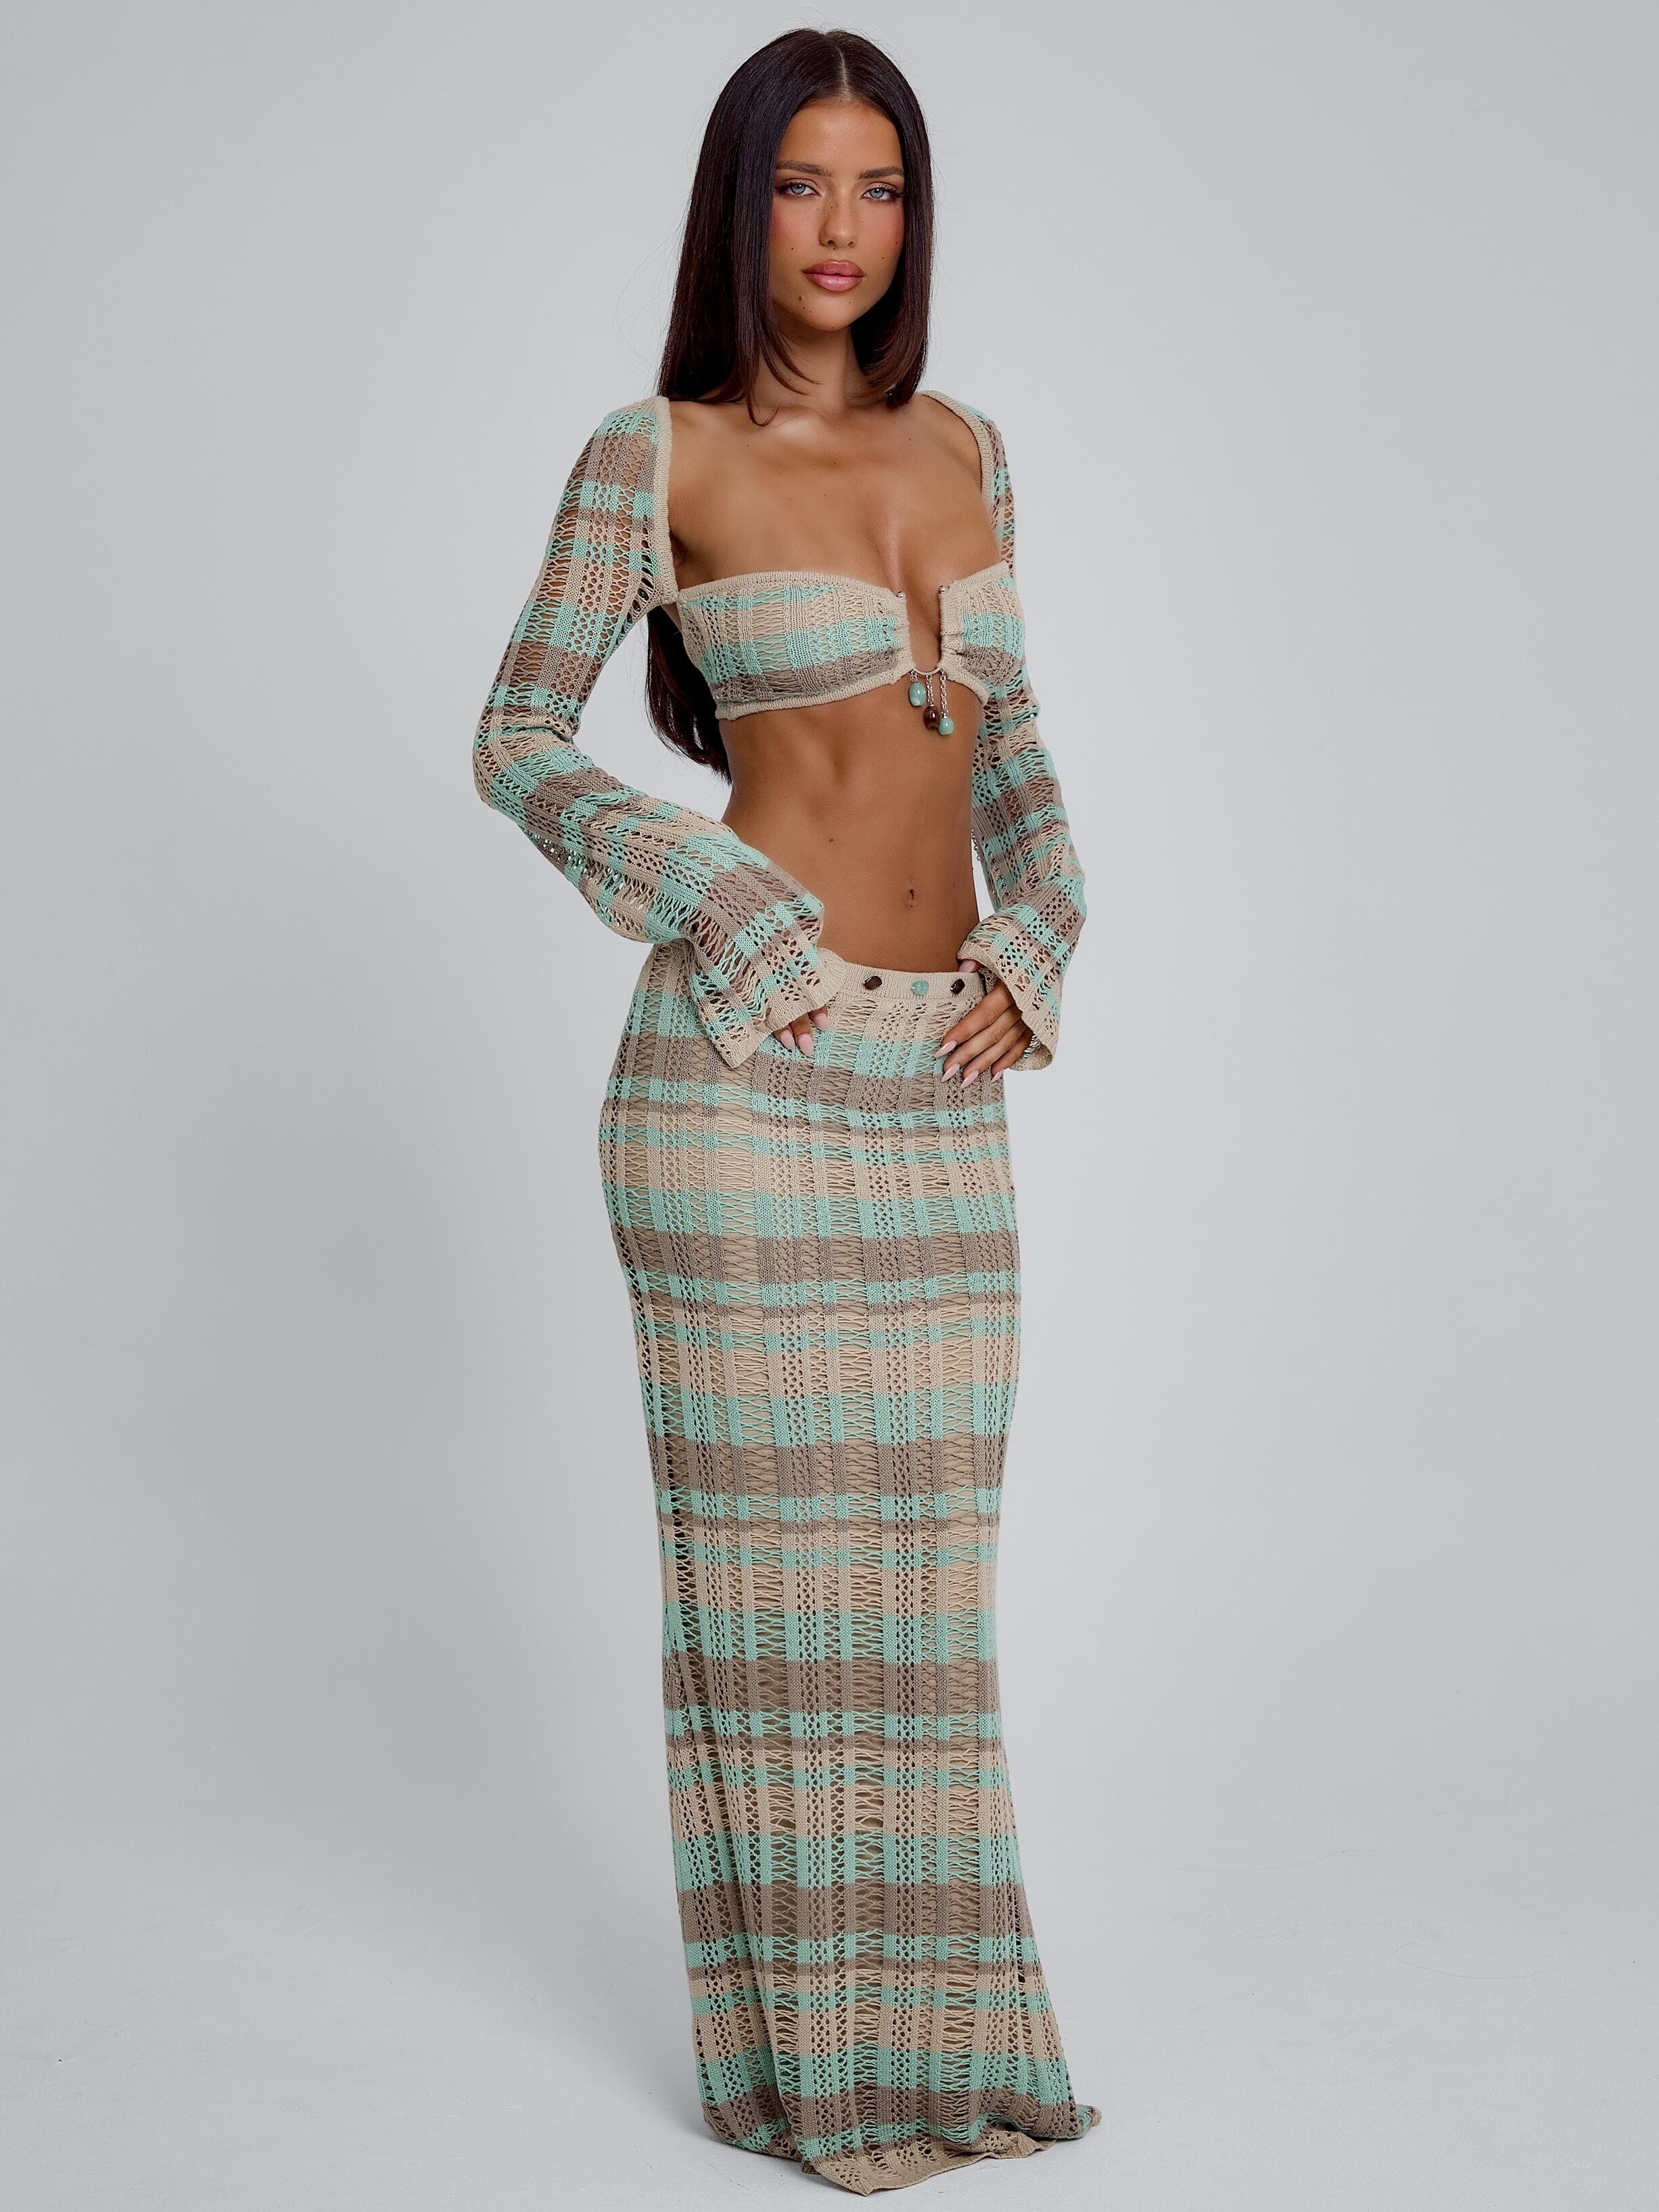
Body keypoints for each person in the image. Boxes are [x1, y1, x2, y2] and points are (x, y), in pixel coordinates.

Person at [472, 26, 1095, 2195]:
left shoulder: (973, 447)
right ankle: (815, 2090)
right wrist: (710, 889)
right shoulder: (653, 453)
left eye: (881, 186)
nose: (843, 229)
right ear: (739, 207)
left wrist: (1050, 926)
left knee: (920, 1597)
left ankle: (951, 2058)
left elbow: (1011, 749)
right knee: (772, 1605)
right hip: (741, 1077)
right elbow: (516, 736)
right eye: (803, 185)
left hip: (934, 1080)